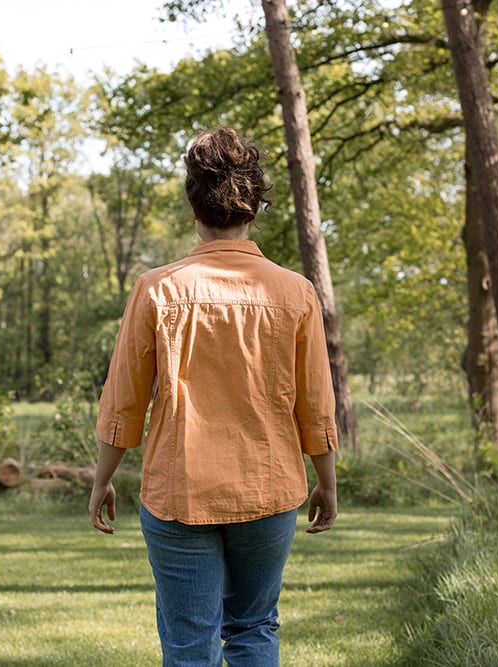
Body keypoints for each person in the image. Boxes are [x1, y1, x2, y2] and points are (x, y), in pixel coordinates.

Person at [88, 127, 339, 667]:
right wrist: (326, 482)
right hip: (270, 490)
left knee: (189, 647)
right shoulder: (294, 291)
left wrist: (102, 477)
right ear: (255, 205)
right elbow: (315, 403)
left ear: (193, 204)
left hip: (180, 492)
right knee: (253, 628)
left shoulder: (158, 288)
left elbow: (124, 400)